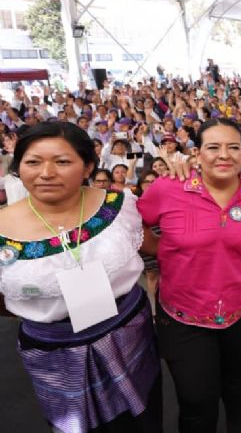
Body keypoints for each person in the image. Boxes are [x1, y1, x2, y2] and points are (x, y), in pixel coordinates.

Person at [0, 122, 161, 432]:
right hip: (54, 350)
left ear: (88, 165)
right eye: (33, 162)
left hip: (127, 332)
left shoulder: (119, 205)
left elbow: (153, 249)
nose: (46, 173)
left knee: (144, 416)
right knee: (74, 424)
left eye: (62, 161)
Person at [138, 118, 241, 432]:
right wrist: (162, 248)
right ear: (196, 153)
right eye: (213, 147)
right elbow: (132, 224)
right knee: (197, 403)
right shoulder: (167, 188)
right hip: (184, 317)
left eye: (233, 147)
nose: (224, 155)